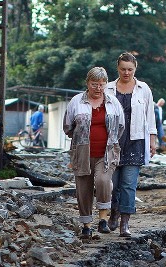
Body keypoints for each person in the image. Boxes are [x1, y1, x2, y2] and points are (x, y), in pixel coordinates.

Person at [64, 67, 125, 240]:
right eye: (94, 84)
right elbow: (68, 126)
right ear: (87, 83)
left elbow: (120, 127)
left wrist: (111, 141)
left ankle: (103, 219)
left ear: (106, 84)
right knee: (83, 188)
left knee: (103, 180)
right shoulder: (76, 102)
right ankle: (86, 225)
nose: (98, 88)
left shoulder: (113, 102)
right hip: (82, 152)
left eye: (101, 84)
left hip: (106, 152)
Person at [105, 52, 157, 237]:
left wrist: (152, 140)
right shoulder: (108, 89)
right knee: (112, 184)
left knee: (129, 184)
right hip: (112, 142)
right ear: (117, 68)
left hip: (135, 141)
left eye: (130, 69)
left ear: (135, 69)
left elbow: (150, 116)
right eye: (122, 69)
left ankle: (125, 223)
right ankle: (113, 214)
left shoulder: (143, 89)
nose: (126, 73)